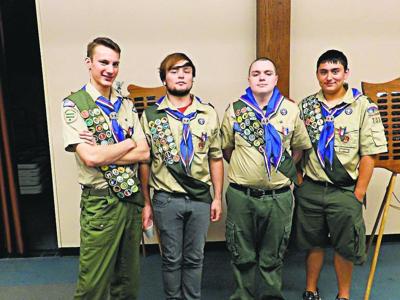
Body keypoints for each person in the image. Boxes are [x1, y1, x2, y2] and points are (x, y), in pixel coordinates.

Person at [294, 50, 387, 300]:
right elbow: (296, 147)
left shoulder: (363, 106)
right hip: (312, 188)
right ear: (317, 75)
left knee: (344, 247)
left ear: (346, 73)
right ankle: (310, 290)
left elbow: (371, 153)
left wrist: (359, 193)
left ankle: (343, 295)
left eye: (335, 71)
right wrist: (299, 180)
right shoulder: (306, 106)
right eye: (323, 72)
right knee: (312, 243)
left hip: (345, 190)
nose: (329, 77)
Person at [61, 37, 149, 299]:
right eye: (103, 62)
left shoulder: (126, 105)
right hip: (101, 204)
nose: (110, 69)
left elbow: (144, 152)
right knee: (93, 285)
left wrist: (106, 152)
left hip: (131, 200)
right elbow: (90, 158)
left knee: (128, 281)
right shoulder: (74, 105)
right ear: (89, 63)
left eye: (115, 64)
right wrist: (130, 142)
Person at [220, 57, 312, 300]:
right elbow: (226, 148)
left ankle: (271, 296)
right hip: (242, 195)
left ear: (275, 79)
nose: (261, 77)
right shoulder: (235, 110)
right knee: (242, 254)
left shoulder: (291, 110)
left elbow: (299, 147)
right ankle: (243, 296)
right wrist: (246, 169)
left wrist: (280, 170)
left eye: (267, 73)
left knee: (273, 255)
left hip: (278, 197)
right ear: (249, 79)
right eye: (256, 73)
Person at [140, 52, 224, 300]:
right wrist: (146, 202)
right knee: (171, 259)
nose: (181, 75)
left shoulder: (207, 114)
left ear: (193, 77)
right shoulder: (152, 116)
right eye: (174, 71)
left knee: (195, 257)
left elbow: (215, 157)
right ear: (164, 79)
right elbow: (144, 163)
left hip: (200, 198)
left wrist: (217, 197)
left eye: (186, 71)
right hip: (166, 199)